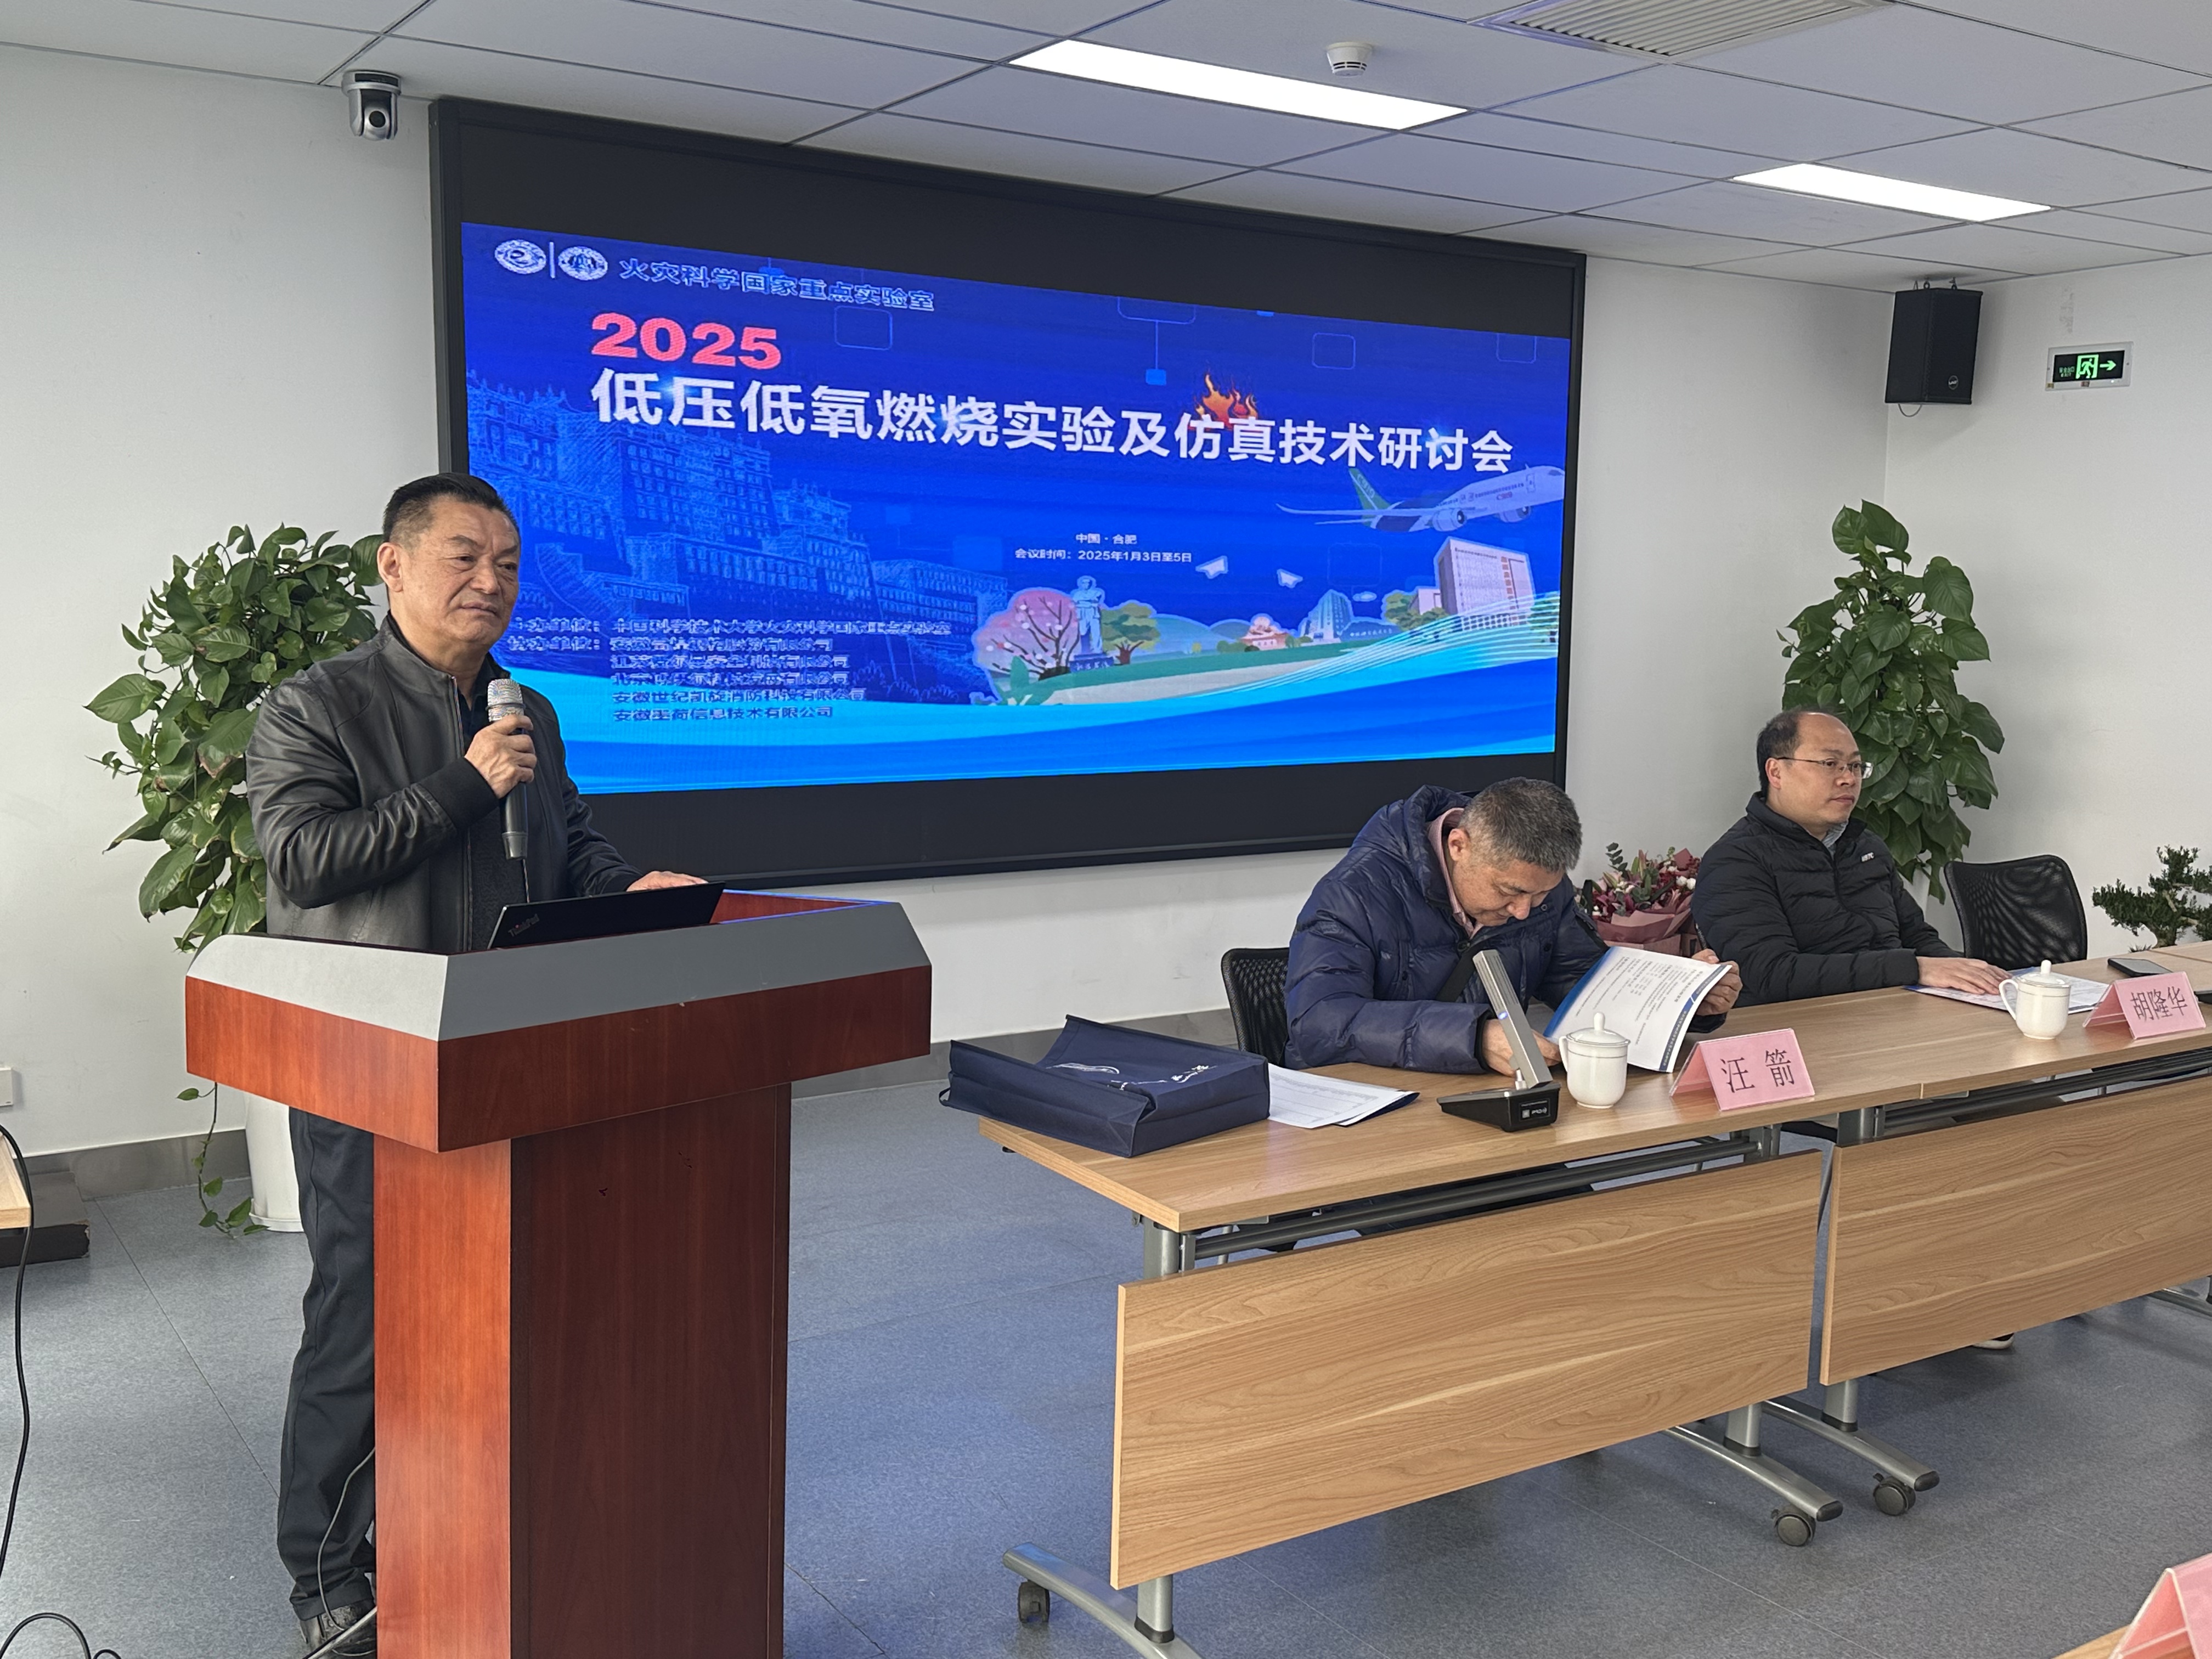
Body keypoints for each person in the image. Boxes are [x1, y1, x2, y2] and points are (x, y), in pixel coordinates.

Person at [245, 473, 703, 1657]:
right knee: (365, 1313)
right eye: (463, 556)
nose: (489, 581)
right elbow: (304, 861)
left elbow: (570, 843)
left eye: (505, 561)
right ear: (393, 566)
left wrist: (628, 885)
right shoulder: (315, 705)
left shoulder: (524, 707)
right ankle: (325, 1572)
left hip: (515, 1055)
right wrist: (465, 780)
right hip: (373, 1063)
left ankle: (462, 1520)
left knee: (501, 1302)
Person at [1286, 780, 1740, 1074]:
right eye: (1509, 891)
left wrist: (1682, 1002)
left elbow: (1585, 988)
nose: (1524, 911)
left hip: (1486, 1102)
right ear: (1459, 845)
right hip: (1370, 1113)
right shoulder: (1354, 893)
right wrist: (1474, 1036)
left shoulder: (1540, 889)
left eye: (1538, 896)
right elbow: (1320, 1022)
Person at [1691, 708, 2006, 1008]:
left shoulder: (1865, 846)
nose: (1849, 779)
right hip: (1809, 1026)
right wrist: (1914, 968)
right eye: (1830, 764)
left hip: (1895, 1010)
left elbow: (1916, 934)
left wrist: (1969, 975)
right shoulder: (1734, 861)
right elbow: (1772, 975)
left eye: (1855, 766)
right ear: (1776, 772)